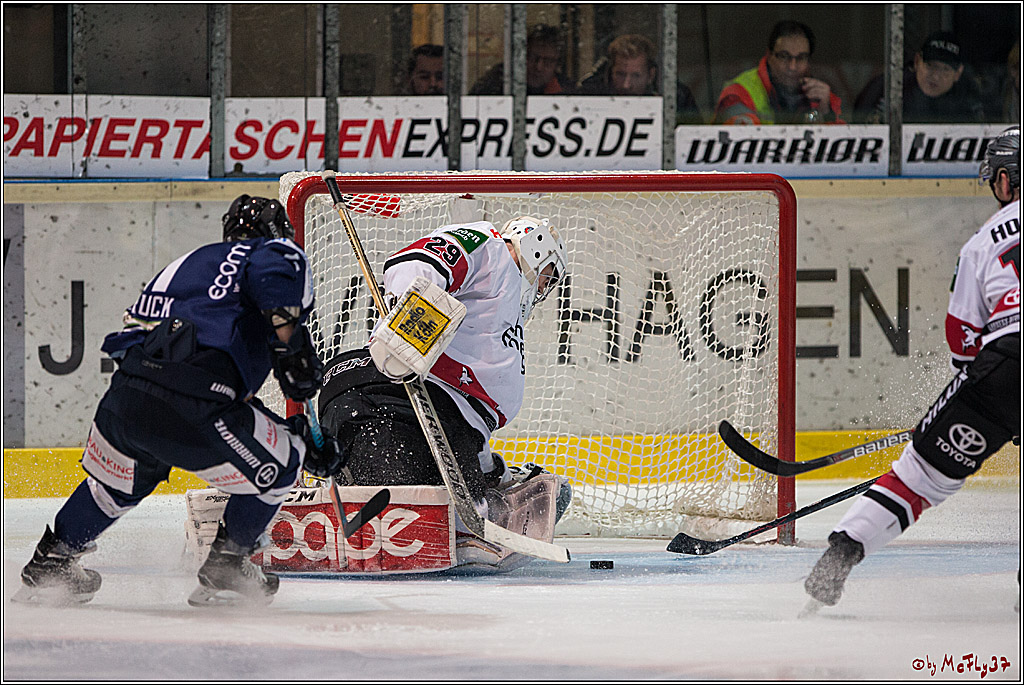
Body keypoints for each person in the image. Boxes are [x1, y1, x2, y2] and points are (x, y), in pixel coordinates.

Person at [12, 196, 344, 608]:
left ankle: (52, 562)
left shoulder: (183, 268)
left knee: (111, 490)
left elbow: (141, 348)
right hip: (197, 410)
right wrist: (294, 350)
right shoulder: (270, 252)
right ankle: (227, 564)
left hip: (125, 402)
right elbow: (273, 273)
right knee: (287, 460)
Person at [803, 126, 1021, 610]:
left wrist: (988, 400)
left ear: (1004, 182)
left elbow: (963, 336)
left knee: (922, 475)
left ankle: (844, 551)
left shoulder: (983, 243)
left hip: (1006, 363)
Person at [317, 215, 572, 567]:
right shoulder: (492, 247)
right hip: (404, 401)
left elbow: (468, 427)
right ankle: (446, 523)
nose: (543, 287)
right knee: (423, 503)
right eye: (548, 276)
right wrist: (408, 329)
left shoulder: (504, 311)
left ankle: (338, 500)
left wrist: (493, 470)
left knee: (546, 493)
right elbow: (418, 262)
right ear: (537, 245)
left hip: (410, 412)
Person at [714, 20, 844, 125]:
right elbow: (743, 149)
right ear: (769, 56)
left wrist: (827, 114)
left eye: (801, 57)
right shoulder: (738, 93)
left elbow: (845, 150)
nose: (792, 66)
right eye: (784, 56)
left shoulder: (822, 97)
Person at [854, 31, 985, 124]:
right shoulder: (887, 88)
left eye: (945, 69)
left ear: (958, 73)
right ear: (917, 61)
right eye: (930, 65)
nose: (935, 76)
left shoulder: (968, 98)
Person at [577, 33, 703, 124]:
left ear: (651, 75)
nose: (626, 85)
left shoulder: (676, 98)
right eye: (620, 74)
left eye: (636, 76)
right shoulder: (589, 96)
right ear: (611, 72)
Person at [469, 24, 575, 96]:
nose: (538, 67)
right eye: (533, 58)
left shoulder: (565, 89)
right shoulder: (496, 82)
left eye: (548, 61)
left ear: (557, 64)